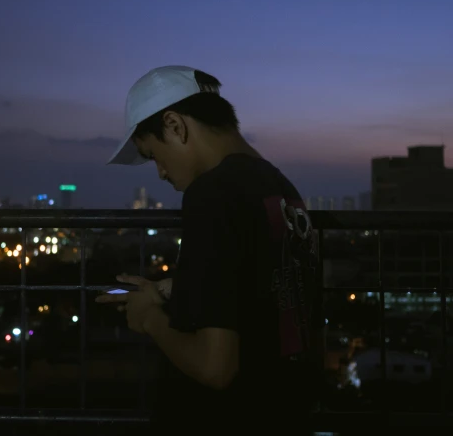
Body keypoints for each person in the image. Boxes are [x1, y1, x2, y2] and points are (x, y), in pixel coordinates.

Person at [96, 65, 321, 431]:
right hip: (285, 406)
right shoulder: (279, 186)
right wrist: (180, 289)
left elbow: (216, 369)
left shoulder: (213, 193)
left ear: (174, 125)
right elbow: (257, 282)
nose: (161, 173)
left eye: (154, 155)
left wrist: (149, 317)